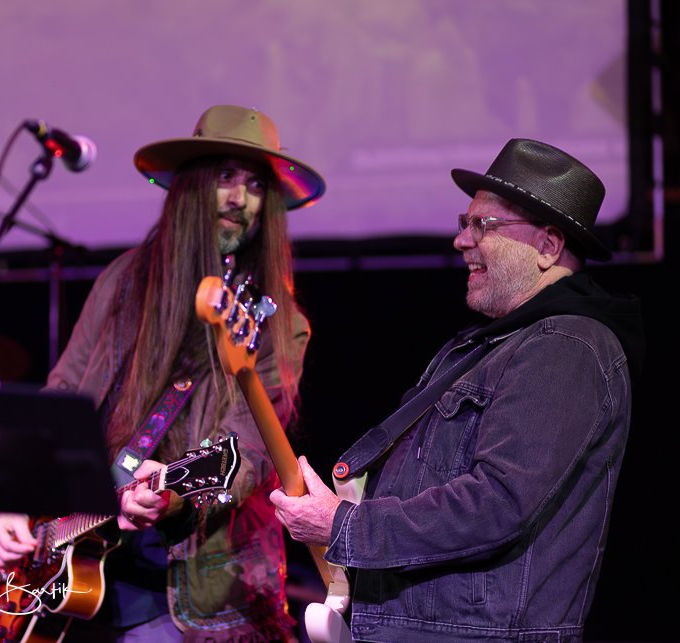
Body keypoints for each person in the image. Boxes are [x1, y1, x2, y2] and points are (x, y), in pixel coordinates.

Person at [270, 138, 645, 642]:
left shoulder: (565, 345)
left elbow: (499, 503)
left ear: (548, 246)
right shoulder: (490, 345)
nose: (461, 240)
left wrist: (346, 527)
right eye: (463, 222)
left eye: (482, 225)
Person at [0, 104, 326, 642]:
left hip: (194, 598)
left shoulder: (279, 324)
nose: (238, 199)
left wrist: (173, 499)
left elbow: (246, 453)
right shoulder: (123, 279)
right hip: (76, 579)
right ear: (190, 187)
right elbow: (62, 398)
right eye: (224, 177)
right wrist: (19, 501)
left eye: (256, 186)